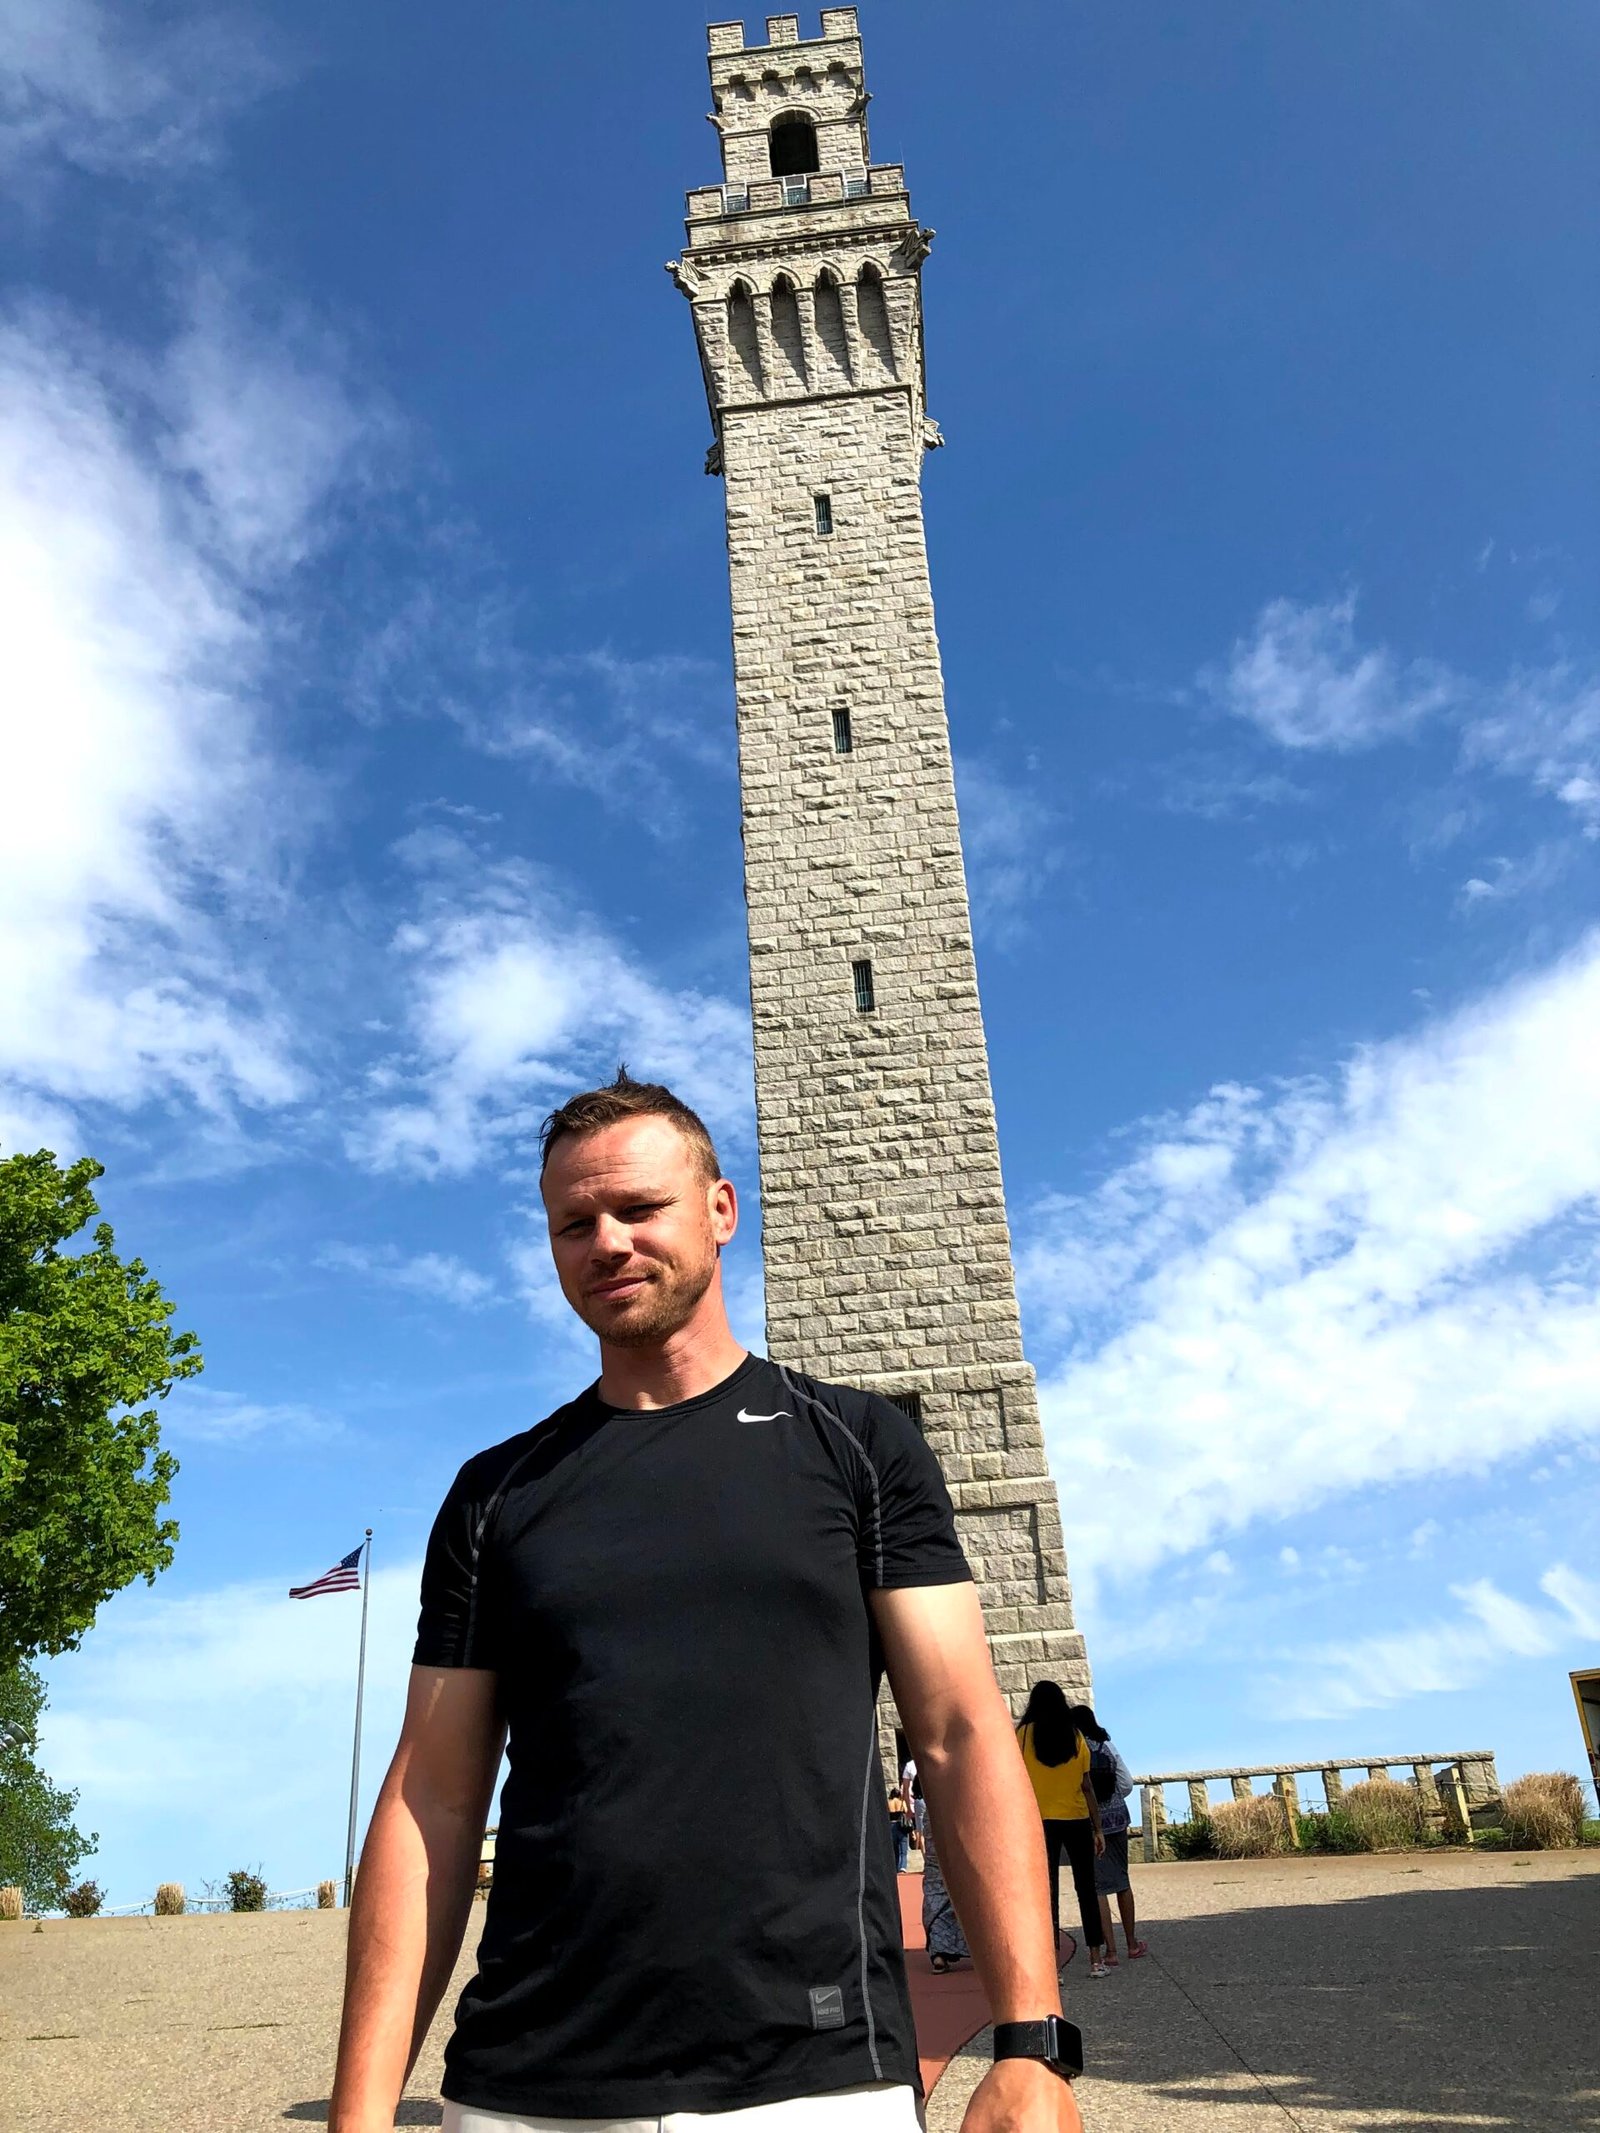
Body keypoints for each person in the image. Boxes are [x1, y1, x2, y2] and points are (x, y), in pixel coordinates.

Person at [329, 1072, 1084, 2133]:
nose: (607, 1243)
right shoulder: (496, 1493)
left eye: (638, 1209)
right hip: (526, 2087)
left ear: (721, 1211)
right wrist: (358, 2117)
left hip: (820, 2080)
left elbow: (959, 1733)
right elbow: (432, 1800)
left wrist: (1031, 2045)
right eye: (573, 1223)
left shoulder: (860, 1450)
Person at [1016, 1681, 1107, 1979]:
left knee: (1046, 1893)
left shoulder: (1023, 1735)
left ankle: (1052, 1966)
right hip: (1077, 1817)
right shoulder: (1075, 1735)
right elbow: (1086, 1785)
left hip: (1040, 1821)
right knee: (1086, 1889)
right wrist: (1098, 1828)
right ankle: (1095, 1958)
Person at [1074, 1708, 1147, 1966]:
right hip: (1117, 1819)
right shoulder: (1107, 1746)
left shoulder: (1076, 1749)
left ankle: (1111, 1952)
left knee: (1098, 1887)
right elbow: (1126, 1782)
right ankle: (1132, 1943)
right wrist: (1115, 1800)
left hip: (1091, 1822)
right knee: (1122, 1880)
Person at [911, 1770, 969, 1972]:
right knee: (959, 1904)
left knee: (936, 1905)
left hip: (935, 1865)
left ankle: (939, 1954)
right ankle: (962, 1947)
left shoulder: (927, 1812)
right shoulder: (953, 1808)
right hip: (954, 1863)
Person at [886, 1786, 913, 1874]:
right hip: (901, 1826)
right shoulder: (901, 1802)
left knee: (894, 1848)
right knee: (903, 1848)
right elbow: (906, 1812)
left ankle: (896, 1867)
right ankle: (902, 1867)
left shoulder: (888, 1803)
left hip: (891, 1825)